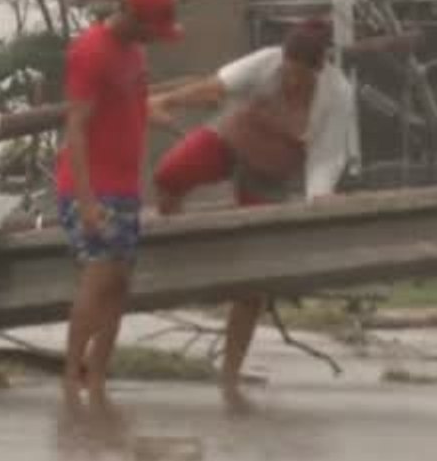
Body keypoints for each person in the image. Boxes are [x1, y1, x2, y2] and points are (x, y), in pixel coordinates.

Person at [148, 20, 358, 412]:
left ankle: (229, 377)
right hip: (233, 138)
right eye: (288, 71)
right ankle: (171, 255)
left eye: (299, 76)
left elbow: (327, 154)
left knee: (253, 282)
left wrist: (320, 196)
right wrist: (168, 101)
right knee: (169, 174)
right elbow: (216, 87)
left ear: (318, 68)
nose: (291, 81)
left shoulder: (338, 94)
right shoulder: (266, 63)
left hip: (273, 173)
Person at [55, 0, 181, 413]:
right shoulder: (89, 53)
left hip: (125, 188)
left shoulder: (135, 53)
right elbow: (76, 127)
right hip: (90, 186)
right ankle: (71, 377)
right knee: (100, 275)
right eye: (153, 28)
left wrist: (152, 111)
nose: (156, 38)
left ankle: (98, 376)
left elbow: (126, 102)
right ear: (132, 17)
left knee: (120, 283)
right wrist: (87, 203)